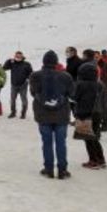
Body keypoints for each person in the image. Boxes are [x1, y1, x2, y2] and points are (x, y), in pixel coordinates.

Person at [29, 51, 75, 179]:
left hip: (43, 114)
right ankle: (62, 170)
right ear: (56, 62)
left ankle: (48, 169)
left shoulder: (35, 76)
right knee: (61, 143)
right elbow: (72, 94)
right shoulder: (66, 76)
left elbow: (33, 93)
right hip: (61, 115)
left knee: (47, 142)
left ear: (43, 61)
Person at [75, 62, 107, 169]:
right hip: (97, 112)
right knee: (95, 137)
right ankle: (101, 159)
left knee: (88, 138)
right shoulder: (100, 84)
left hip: (84, 113)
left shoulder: (80, 84)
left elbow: (74, 97)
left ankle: (93, 160)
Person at [3, 51, 33, 119]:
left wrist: (28, 79)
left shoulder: (27, 64)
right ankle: (13, 112)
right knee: (12, 99)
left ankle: (23, 113)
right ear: (15, 56)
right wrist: (8, 61)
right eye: (17, 56)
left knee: (24, 100)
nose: (18, 57)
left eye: (20, 56)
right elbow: (4, 68)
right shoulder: (12, 63)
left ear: (22, 56)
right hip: (14, 85)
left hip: (23, 85)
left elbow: (31, 73)